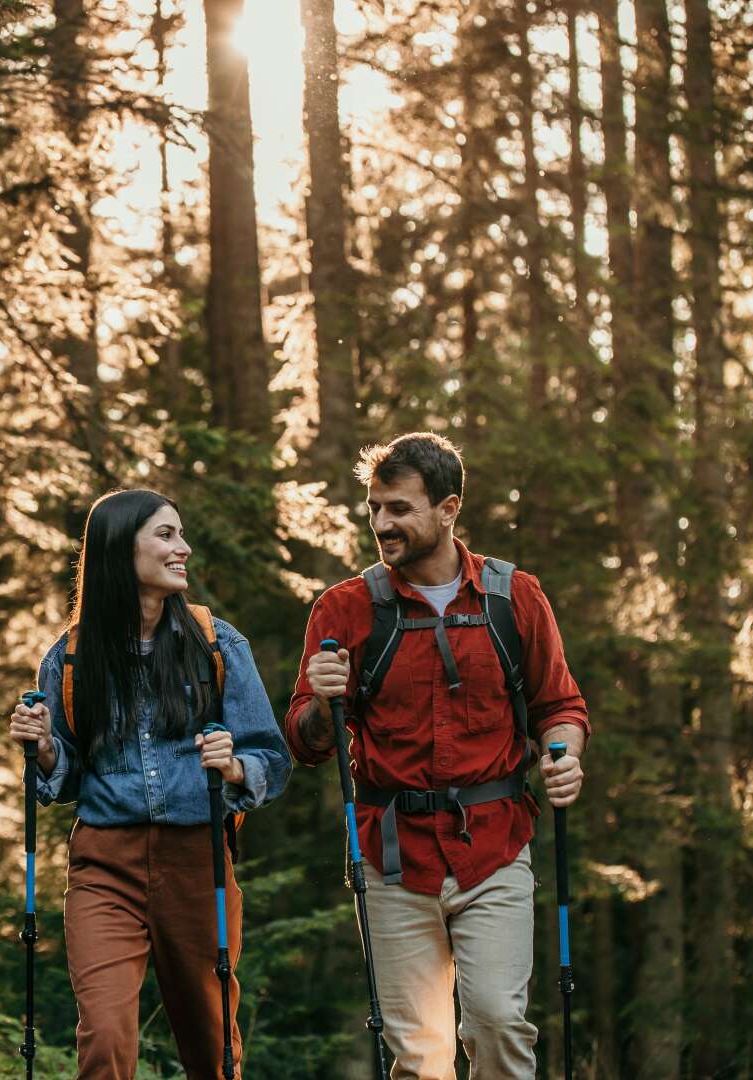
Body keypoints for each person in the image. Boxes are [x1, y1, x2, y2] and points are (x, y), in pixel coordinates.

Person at [286, 432, 589, 1080]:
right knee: (418, 1055)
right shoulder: (345, 609)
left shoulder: (515, 597)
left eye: (398, 508)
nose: (381, 524)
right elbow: (305, 742)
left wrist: (562, 755)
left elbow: (558, 705)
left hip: (496, 845)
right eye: (373, 509)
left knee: (498, 1023)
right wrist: (321, 706)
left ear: (448, 509)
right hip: (391, 858)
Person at [10, 488, 291, 1080]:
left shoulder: (216, 644)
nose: (182, 549)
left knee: (211, 1047)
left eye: (181, 534)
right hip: (104, 866)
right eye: (166, 535)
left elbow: (273, 755)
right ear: (119, 548)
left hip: (197, 863)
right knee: (106, 1037)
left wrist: (236, 766)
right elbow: (66, 778)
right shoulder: (69, 659)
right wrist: (42, 749)